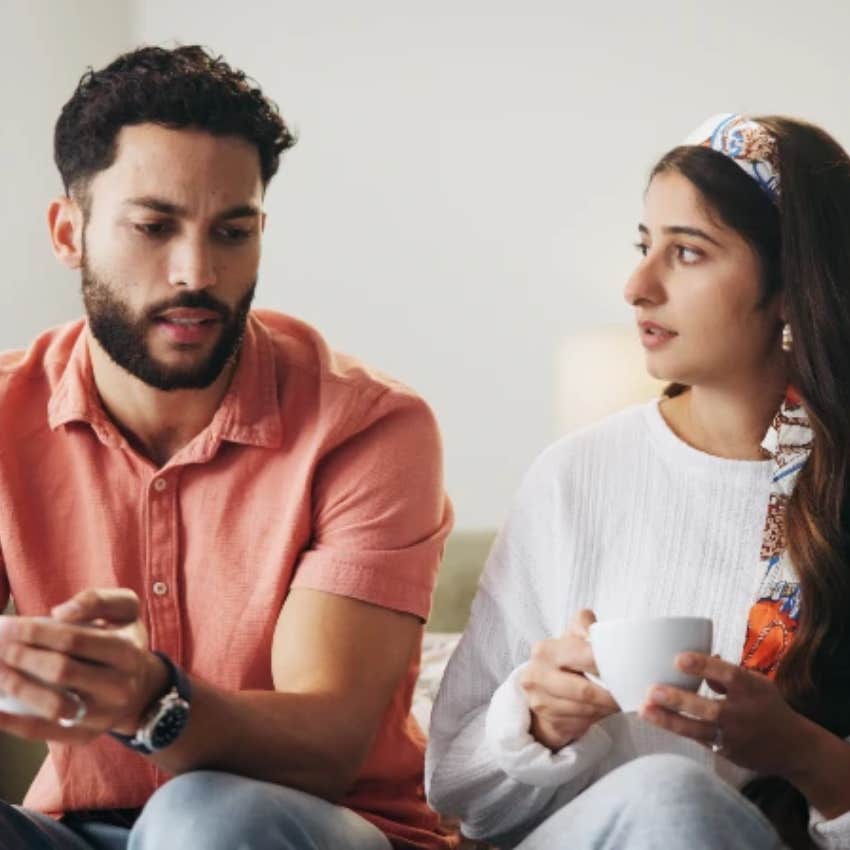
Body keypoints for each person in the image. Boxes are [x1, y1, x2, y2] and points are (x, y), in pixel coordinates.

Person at [0, 45, 457, 850]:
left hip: (306, 824)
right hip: (77, 829)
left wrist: (151, 699)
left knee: (204, 816)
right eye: (153, 226)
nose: (197, 272)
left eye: (232, 231)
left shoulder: (368, 428)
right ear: (68, 232)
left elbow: (326, 745)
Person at [425, 113, 850, 850]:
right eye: (644, 245)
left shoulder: (834, 493)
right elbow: (455, 793)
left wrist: (809, 758)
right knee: (666, 792)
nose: (636, 286)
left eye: (686, 253)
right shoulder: (575, 478)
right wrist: (535, 720)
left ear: (790, 288)